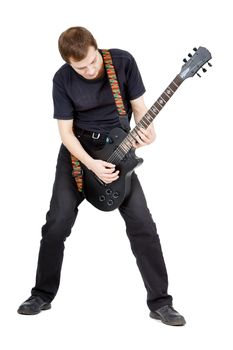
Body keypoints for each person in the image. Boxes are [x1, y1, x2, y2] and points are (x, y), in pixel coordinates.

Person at [17, 26, 186, 326]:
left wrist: (149, 134)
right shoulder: (62, 79)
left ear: (97, 48)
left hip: (119, 149)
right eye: (81, 67)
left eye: (93, 61)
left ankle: (161, 302)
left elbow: (140, 111)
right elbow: (66, 135)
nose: (90, 69)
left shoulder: (122, 62)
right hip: (78, 154)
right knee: (57, 221)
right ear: (69, 63)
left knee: (143, 224)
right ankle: (41, 295)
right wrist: (91, 165)